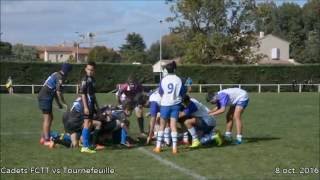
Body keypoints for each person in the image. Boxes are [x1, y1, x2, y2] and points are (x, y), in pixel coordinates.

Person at [153, 61, 186, 154]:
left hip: (165, 104)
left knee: (162, 126)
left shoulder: (164, 79)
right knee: (173, 126)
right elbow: (183, 92)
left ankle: (158, 147)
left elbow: (160, 92)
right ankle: (174, 148)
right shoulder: (178, 79)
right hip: (175, 104)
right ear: (175, 69)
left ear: (166, 70)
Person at [38, 63, 72, 147]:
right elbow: (58, 92)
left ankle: (44, 137)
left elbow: (54, 92)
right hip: (45, 97)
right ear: (67, 71)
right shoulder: (60, 77)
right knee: (47, 118)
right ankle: (46, 140)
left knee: (50, 117)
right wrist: (64, 103)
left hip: (45, 96)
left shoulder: (56, 74)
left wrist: (59, 104)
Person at [79, 61, 100, 153]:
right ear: (85, 69)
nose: (90, 71)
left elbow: (93, 94)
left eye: (92, 70)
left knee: (90, 123)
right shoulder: (85, 79)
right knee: (87, 123)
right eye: (88, 69)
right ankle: (85, 146)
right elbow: (83, 94)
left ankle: (86, 143)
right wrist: (85, 107)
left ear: (94, 71)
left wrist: (97, 105)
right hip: (87, 104)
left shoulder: (93, 79)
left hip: (91, 103)